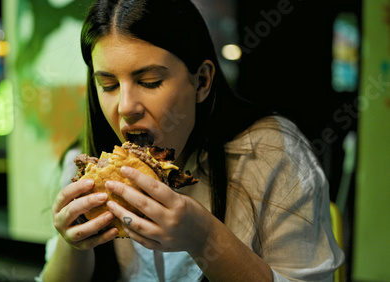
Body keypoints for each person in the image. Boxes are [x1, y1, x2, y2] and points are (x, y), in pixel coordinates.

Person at [40, 0, 344, 281]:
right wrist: (74, 242)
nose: (126, 107)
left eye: (149, 82)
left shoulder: (272, 154)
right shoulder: (85, 166)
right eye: (108, 85)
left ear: (201, 81)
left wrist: (203, 237)